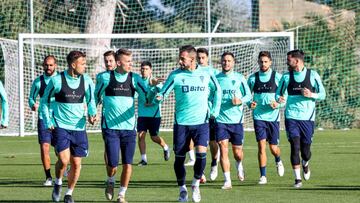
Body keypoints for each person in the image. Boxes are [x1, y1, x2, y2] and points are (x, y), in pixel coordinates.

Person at [154, 45, 221, 202]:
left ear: (192, 59)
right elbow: (163, 92)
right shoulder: (176, 76)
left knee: (201, 155)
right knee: (179, 159)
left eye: (182, 58)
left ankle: (196, 184)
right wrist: (159, 96)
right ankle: (182, 188)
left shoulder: (206, 74)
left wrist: (215, 112)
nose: (180, 61)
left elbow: (218, 90)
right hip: (181, 123)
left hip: (202, 122)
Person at [41, 50, 97, 203]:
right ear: (73, 65)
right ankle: (58, 182)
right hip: (61, 126)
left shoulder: (87, 80)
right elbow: (44, 101)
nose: (85, 66)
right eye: (82, 64)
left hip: (79, 128)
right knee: (64, 160)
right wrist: (48, 120)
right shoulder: (57, 80)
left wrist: (92, 113)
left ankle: (69, 194)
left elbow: (91, 100)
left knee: (77, 163)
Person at [95, 48, 148, 203]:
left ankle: (121, 195)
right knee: (112, 164)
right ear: (119, 63)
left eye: (131, 61)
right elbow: (95, 97)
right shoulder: (105, 78)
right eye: (128, 62)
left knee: (128, 163)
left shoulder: (134, 78)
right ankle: (110, 180)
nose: (131, 64)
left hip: (129, 129)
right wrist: (92, 111)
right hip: (110, 128)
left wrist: (155, 92)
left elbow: (147, 95)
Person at [276, 49, 326, 188]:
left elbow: (323, 94)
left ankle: (306, 163)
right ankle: (297, 180)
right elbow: (278, 94)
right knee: (294, 145)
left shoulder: (312, 75)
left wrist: (311, 95)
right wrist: (279, 99)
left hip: (307, 118)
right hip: (291, 116)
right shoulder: (286, 77)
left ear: (296, 61)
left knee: (305, 151)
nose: (287, 62)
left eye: (289, 60)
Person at [247, 51, 285, 185]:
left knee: (273, 148)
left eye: (265, 61)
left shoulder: (278, 77)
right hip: (258, 117)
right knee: (261, 146)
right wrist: (249, 103)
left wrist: (278, 104)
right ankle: (263, 176)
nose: (263, 64)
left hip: (273, 118)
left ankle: (278, 160)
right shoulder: (252, 78)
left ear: (270, 62)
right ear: (258, 62)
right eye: (261, 61)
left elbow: (284, 97)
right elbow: (246, 95)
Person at [215, 52, 251, 189]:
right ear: (221, 62)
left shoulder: (239, 78)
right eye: (224, 61)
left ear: (233, 62)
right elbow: (210, 95)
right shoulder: (216, 78)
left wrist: (240, 100)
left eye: (229, 61)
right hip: (220, 120)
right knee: (223, 148)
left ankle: (239, 165)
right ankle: (227, 180)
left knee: (237, 153)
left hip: (236, 121)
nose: (226, 63)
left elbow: (248, 95)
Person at [28, 55, 58, 186]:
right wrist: (33, 104)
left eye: (51, 65)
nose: (48, 67)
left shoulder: (60, 80)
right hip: (43, 118)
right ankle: (49, 177)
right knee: (44, 147)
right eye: (46, 65)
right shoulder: (38, 82)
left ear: (55, 65)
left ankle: (63, 166)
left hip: (59, 118)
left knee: (60, 150)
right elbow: (31, 98)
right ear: (43, 66)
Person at [136, 61, 170, 166]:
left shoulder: (156, 82)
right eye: (142, 68)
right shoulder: (137, 80)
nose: (144, 70)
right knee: (141, 136)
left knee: (154, 137)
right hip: (142, 113)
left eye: (146, 69)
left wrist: (152, 103)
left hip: (154, 114)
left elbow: (162, 97)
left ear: (150, 70)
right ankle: (144, 159)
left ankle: (166, 147)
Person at [97, 50, 117, 169]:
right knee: (108, 145)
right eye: (106, 61)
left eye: (110, 61)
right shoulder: (102, 77)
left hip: (122, 119)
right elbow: (97, 95)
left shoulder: (125, 76)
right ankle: (109, 173)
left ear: (116, 61)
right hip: (106, 117)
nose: (108, 63)